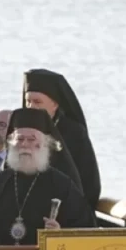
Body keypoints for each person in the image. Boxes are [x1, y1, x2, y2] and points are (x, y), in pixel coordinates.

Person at [0, 108, 94, 247]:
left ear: (46, 144)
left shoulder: (62, 186)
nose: (24, 144)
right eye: (19, 139)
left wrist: (60, 234)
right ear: (10, 143)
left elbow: (85, 231)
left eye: (31, 139)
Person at [23, 68, 101, 210]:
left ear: (55, 104)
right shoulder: (20, 132)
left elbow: (90, 183)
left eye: (37, 102)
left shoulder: (74, 133)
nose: (31, 107)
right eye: (28, 101)